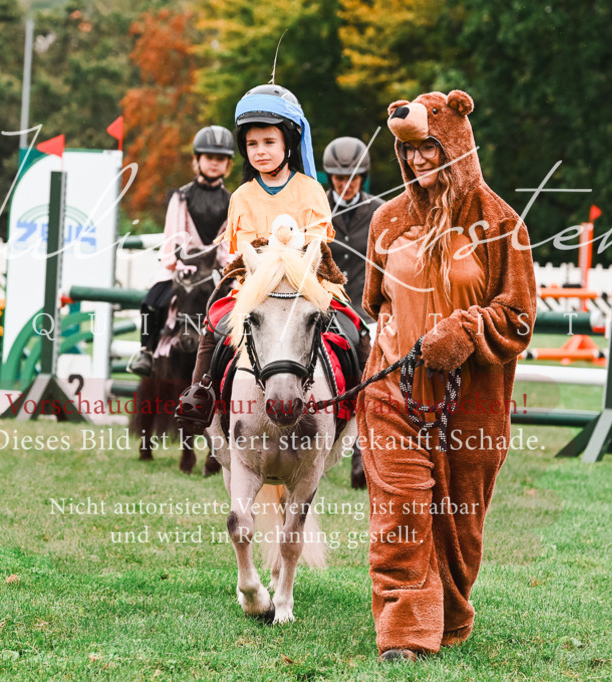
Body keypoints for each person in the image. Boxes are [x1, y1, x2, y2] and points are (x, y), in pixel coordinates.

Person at [357, 90, 537, 662]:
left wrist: (465, 332)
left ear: (456, 146)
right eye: (409, 152)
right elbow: (374, 303)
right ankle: (406, 632)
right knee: (401, 512)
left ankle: (451, 611)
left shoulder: (501, 222)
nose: (418, 161)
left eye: (430, 148)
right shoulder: (387, 220)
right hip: (393, 389)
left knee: (459, 522)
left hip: (472, 400)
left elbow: (519, 316)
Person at [174, 83, 339, 433]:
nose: (260, 151)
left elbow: (318, 243)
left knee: (352, 332)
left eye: (269, 142)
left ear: (288, 145)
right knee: (214, 326)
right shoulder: (242, 196)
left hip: (305, 288)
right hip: (255, 291)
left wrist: (288, 257)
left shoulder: (310, 190)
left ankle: (361, 406)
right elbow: (243, 250)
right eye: (252, 144)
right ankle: (199, 396)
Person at [128, 126, 235, 377]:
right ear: (197, 160)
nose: (214, 163)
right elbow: (173, 236)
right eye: (209, 158)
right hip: (180, 264)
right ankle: (146, 351)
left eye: (220, 159)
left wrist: (225, 267)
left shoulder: (233, 201)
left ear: (227, 164)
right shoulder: (181, 196)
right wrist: (178, 263)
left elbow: (228, 240)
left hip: (215, 269)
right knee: (151, 303)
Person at [322, 136, 385, 490]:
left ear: (364, 177)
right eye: (339, 179)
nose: (346, 185)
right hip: (327, 309)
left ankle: (363, 457)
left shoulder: (381, 210)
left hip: (367, 313)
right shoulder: (315, 209)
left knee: (370, 385)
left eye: (354, 179)